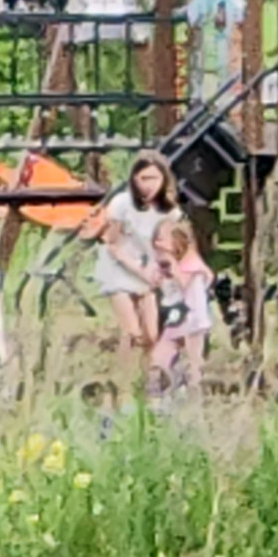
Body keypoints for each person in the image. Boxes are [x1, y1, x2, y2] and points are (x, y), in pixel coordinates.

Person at [92, 151, 177, 400]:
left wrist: (164, 270)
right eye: (143, 178)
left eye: (154, 178)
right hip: (119, 269)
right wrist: (140, 269)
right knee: (132, 332)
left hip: (147, 271)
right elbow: (112, 244)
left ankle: (148, 384)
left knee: (151, 334)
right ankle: (124, 388)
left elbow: (166, 245)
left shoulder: (168, 211)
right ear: (134, 179)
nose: (148, 185)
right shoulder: (122, 204)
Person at [154, 218, 215, 393]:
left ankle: (194, 392)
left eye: (161, 239)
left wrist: (173, 267)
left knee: (194, 361)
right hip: (176, 318)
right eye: (156, 239)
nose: (157, 243)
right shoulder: (166, 263)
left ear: (176, 241)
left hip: (193, 319)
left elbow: (187, 283)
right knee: (160, 357)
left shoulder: (190, 262)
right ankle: (166, 389)